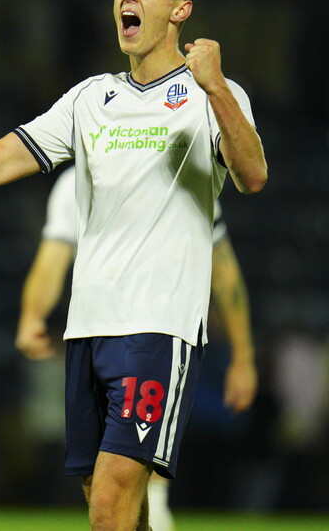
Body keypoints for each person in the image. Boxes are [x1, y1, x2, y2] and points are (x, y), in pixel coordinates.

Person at [0, 0, 267, 531]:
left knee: (110, 502)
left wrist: (216, 91)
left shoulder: (212, 93)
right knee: (112, 509)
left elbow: (253, 175)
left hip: (158, 327)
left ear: (181, 10)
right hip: (88, 329)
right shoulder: (89, 99)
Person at [16, 166, 258, 531]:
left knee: (128, 472)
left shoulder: (184, 174)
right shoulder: (76, 182)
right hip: (94, 332)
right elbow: (53, 257)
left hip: (159, 329)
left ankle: (159, 511)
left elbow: (222, 268)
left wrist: (243, 356)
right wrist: (32, 315)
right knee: (100, 481)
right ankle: (154, 516)